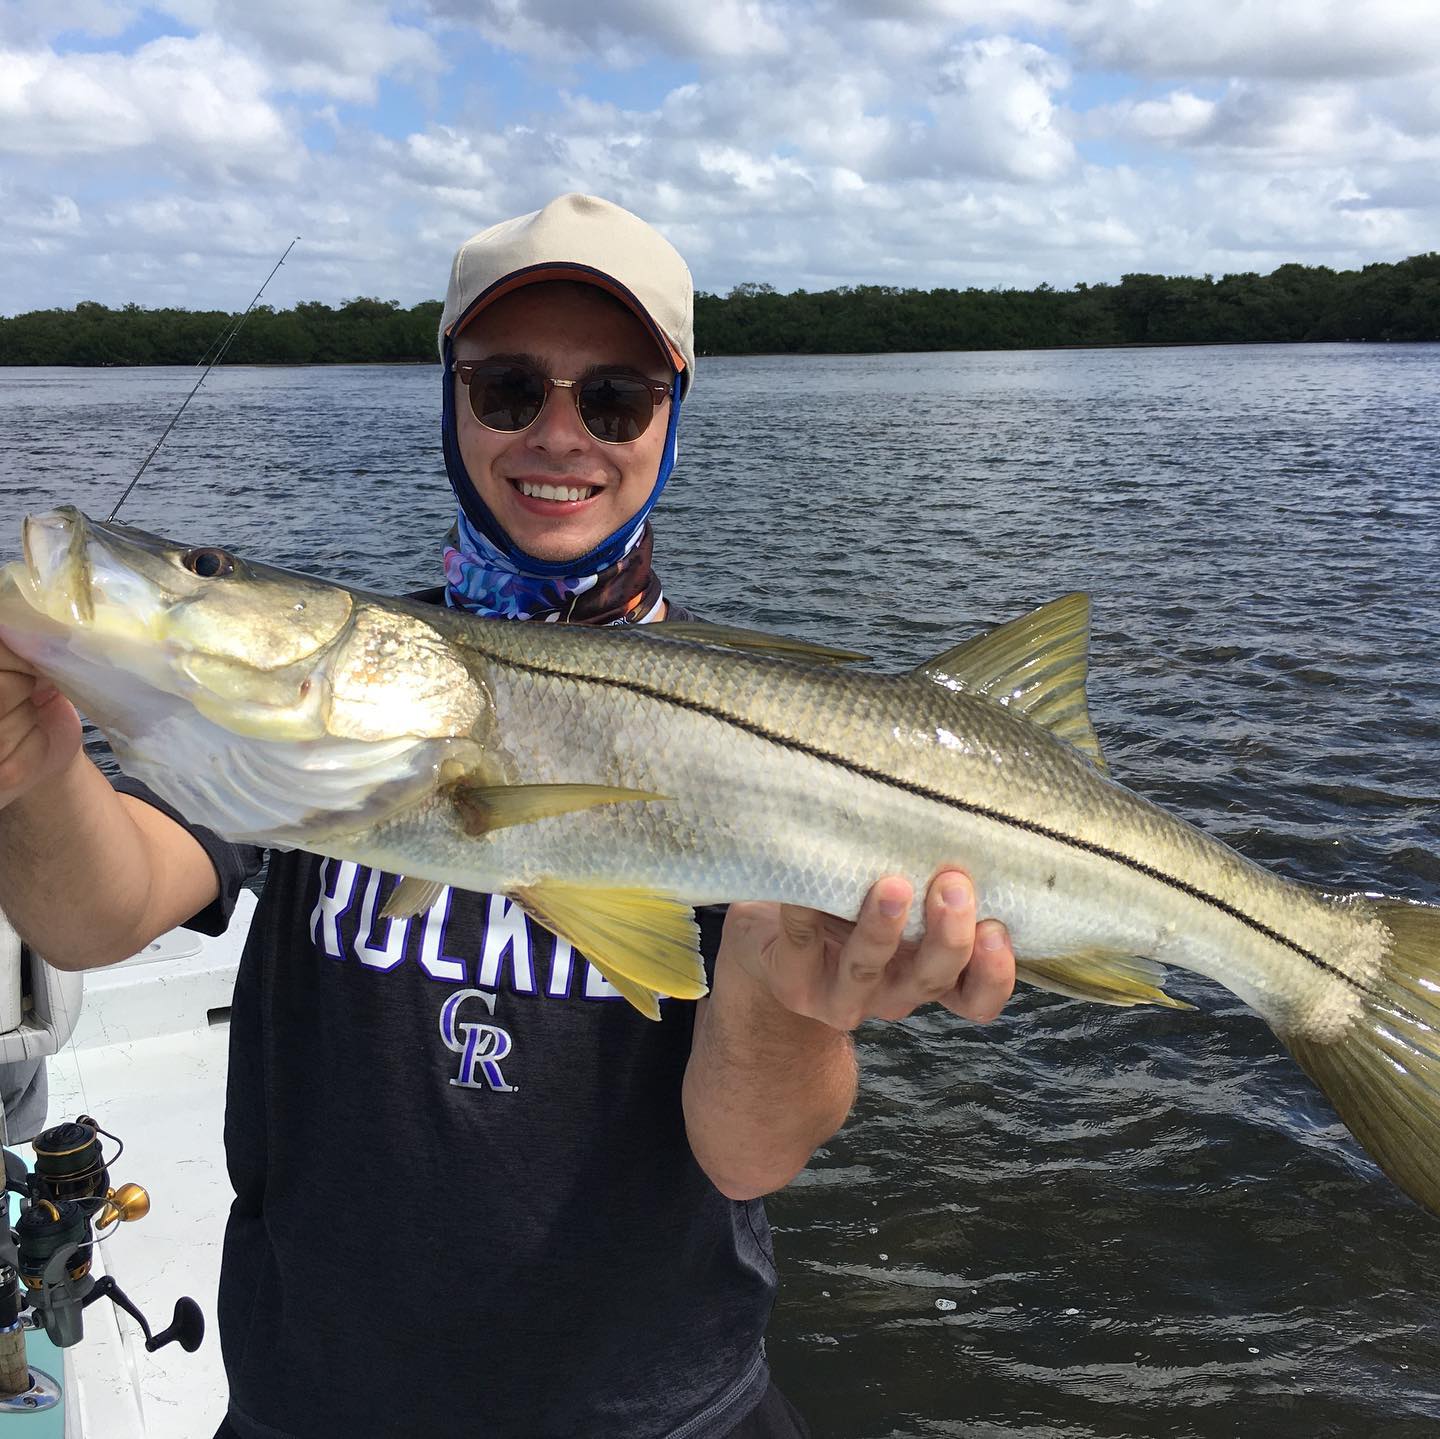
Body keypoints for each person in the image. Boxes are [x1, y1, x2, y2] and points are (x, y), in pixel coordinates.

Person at [0, 194, 1017, 1438]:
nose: (559, 434)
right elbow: (93, 913)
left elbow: (748, 1158)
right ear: (451, 399)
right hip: (315, 1402)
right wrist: (33, 764)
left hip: (662, 1410)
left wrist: (782, 997)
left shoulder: (756, 732)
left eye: (616, 400)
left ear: (670, 421)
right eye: (509, 388)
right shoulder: (313, 718)